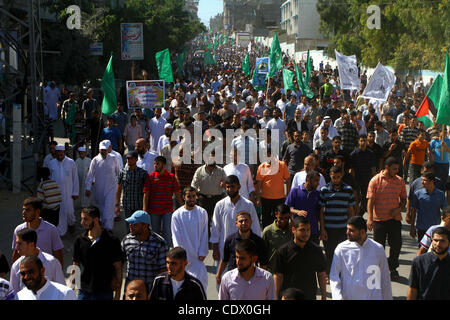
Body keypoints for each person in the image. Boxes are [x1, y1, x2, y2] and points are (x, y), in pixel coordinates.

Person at [330, 216, 392, 300]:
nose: (347, 232)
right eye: (347, 229)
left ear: (362, 232)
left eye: (351, 230)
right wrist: (338, 297)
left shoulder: (378, 249)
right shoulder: (341, 249)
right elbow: (334, 275)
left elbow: (385, 278)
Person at [367, 157, 407, 280]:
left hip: (394, 219)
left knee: (396, 244)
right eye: (394, 169)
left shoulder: (399, 181)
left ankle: (393, 267)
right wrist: (369, 218)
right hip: (379, 220)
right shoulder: (375, 180)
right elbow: (370, 201)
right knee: (379, 247)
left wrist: (399, 209)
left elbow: (404, 200)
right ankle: (379, 269)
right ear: (386, 168)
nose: (396, 171)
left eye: (397, 169)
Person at [73, 206, 124, 300]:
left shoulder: (112, 241)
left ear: (96, 220)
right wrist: (72, 290)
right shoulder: (79, 240)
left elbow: (118, 268)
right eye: (82, 219)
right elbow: (75, 265)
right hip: (84, 292)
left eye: (85, 219)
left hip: (104, 292)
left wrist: (117, 295)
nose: (82, 223)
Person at [273, 215, 327, 300]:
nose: (306, 233)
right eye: (302, 230)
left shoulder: (316, 250)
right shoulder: (283, 251)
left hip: (309, 296)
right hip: (288, 297)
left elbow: (321, 274)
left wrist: (324, 296)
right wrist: (275, 296)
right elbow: (278, 276)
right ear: (293, 230)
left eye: (308, 230)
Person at [210, 175, 261, 263]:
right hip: (225, 249)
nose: (230, 189)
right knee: (225, 275)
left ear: (239, 187)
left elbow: (255, 228)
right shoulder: (220, 205)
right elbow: (215, 229)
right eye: (227, 187)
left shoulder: (248, 205)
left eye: (232, 186)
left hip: (245, 249)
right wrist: (215, 250)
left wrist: (255, 250)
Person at [171, 187, 209, 291]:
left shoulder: (202, 213)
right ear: (183, 197)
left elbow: (205, 233)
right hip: (183, 259)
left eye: (193, 196)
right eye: (189, 196)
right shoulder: (177, 215)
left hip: (198, 257)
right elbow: (176, 236)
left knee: (200, 285)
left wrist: (202, 252)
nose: (191, 199)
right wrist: (180, 256)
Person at [216, 211, 269, 285]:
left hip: (252, 281)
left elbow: (263, 264)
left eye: (246, 220)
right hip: (233, 280)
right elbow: (225, 260)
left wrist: (261, 280)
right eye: (241, 221)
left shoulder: (259, 242)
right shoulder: (230, 240)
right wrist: (218, 275)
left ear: (251, 222)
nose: (244, 223)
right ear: (236, 223)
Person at [122, 210, 168, 293]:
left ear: (145, 226)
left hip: (150, 291)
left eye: (134, 224)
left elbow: (163, 270)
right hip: (131, 291)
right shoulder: (126, 240)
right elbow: (119, 262)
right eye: (130, 223)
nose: (130, 226)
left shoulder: (159, 243)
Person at [11, 197, 64, 267]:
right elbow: (16, 256)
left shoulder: (51, 229)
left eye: (28, 210)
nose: (24, 212)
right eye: (23, 209)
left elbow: (58, 256)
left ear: (37, 212)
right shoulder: (18, 230)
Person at [10, 228, 65, 294]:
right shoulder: (16, 266)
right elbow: (14, 294)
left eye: (20, 244)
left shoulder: (52, 262)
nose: (16, 247)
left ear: (31, 244)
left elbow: (62, 289)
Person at [143, 156, 182, 246]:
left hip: (167, 210)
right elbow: (146, 194)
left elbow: (177, 192)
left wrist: (182, 205)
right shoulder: (150, 177)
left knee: (167, 233)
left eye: (157, 164)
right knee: (155, 233)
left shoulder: (171, 177)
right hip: (153, 210)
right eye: (154, 164)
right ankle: (156, 252)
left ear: (164, 165)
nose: (155, 166)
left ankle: (167, 254)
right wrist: (144, 210)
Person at [85, 141, 121, 231]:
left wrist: (120, 185)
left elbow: (118, 172)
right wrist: (88, 188)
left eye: (105, 150)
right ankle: (101, 228)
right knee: (100, 210)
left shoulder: (114, 158)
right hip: (98, 189)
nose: (103, 152)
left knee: (108, 210)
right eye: (101, 150)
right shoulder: (95, 160)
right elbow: (90, 175)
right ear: (99, 149)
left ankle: (108, 229)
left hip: (111, 189)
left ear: (107, 150)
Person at [407, 227, 450, 300]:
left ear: (449, 242)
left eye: (442, 241)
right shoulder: (419, 262)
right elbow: (413, 289)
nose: (438, 244)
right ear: (431, 241)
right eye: (435, 240)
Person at [256, 145, 291, 229]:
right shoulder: (262, 167)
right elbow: (259, 184)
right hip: (265, 198)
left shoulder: (282, 165)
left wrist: (288, 195)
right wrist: (258, 198)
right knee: (265, 219)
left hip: (279, 198)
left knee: (279, 218)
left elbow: (288, 181)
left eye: (268, 154)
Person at [48, 144, 79, 236]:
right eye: (58, 152)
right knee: (59, 212)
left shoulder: (71, 162)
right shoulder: (51, 163)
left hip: (68, 192)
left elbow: (75, 178)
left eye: (61, 152)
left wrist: (75, 192)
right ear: (55, 153)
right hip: (55, 193)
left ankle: (71, 224)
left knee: (69, 211)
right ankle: (60, 231)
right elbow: (48, 178)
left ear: (64, 152)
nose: (60, 154)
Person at [191, 157, 226, 233]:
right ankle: (206, 242)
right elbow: (194, 186)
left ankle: (216, 242)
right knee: (204, 223)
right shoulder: (199, 171)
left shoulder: (221, 171)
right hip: (203, 200)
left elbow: (226, 184)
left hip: (217, 200)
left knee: (217, 223)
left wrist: (224, 185)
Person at [410, 172, 448, 243]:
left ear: (432, 181)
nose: (422, 182)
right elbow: (413, 211)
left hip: (435, 229)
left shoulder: (440, 194)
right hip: (421, 228)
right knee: (422, 250)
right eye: (422, 180)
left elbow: (446, 211)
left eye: (425, 180)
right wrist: (412, 227)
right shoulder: (418, 194)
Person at [286, 170, 322, 245]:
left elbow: (320, 213)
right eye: (316, 181)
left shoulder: (318, 194)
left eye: (318, 181)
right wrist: (297, 212)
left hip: (313, 232)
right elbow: (286, 208)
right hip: (298, 231)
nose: (318, 184)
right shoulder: (295, 191)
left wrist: (322, 229)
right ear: (308, 179)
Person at [349, 135, 377, 216]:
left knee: (366, 198)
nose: (363, 143)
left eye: (365, 141)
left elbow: (373, 168)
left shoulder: (370, 153)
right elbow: (351, 169)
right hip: (356, 179)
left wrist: (373, 180)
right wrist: (353, 181)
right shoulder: (353, 154)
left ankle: (360, 214)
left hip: (367, 179)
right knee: (356, 198)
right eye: (361, 141)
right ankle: (355, 213)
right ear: (358, 142)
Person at [116, 151, 148, 220]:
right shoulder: (122, 172)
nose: (129, 160)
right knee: (129, 226)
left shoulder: (142, 173)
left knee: (139, 226)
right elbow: (119, 189)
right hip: (127, 205)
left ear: (136, 159)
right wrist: (117, 204)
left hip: (139, 205)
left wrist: (145, 206)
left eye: (131, 158)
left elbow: (147, 191)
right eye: (127, 158)